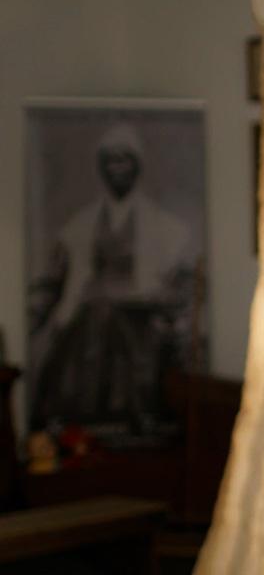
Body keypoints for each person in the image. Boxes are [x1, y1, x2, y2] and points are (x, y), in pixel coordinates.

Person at [27, 123, 195, 436]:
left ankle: (134, 418)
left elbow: (177, 288)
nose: (117, 168)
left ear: (137, 165)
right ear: (102, 168)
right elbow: (55, 281)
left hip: (139, 311)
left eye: (124, 159)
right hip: (90, 310)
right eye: (110, 161)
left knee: (121, 328)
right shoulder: (82, 223)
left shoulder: (162, 225)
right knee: (80, 335)